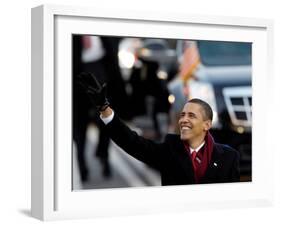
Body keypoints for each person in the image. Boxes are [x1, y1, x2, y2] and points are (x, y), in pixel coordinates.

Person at [78, 72, 240, 185]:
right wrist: (104, 108)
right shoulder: (170, 149)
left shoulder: (228, 157)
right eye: (182, 115)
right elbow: (131, 142)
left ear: (207, 125)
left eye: (191, 116)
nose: (183, 120)